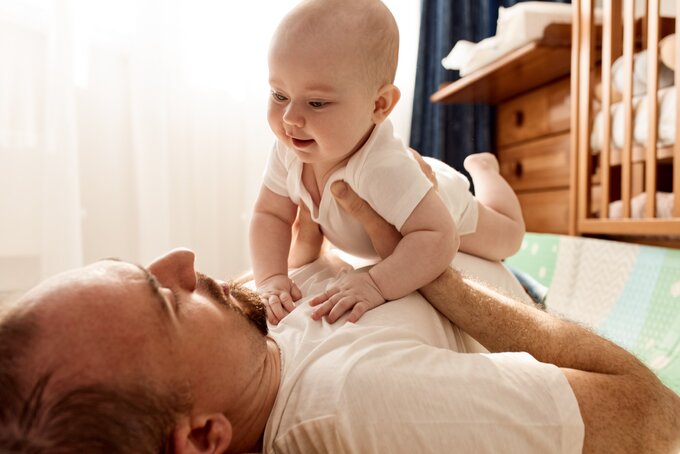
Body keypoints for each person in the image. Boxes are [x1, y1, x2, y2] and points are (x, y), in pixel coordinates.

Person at [1, 182, 679, 453]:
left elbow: (302, 273)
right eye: (167, 301)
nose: (181, 259)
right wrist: (426, 268)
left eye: (143, 268)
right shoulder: (358, 408)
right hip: (508, 295)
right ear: (205, 437)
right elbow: (654, 417)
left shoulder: (252, 348)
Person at [250, 0, 525, 325]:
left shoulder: (381, 167)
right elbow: (269, 215)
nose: (290, 118)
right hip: (404, 189)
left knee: (508, 237)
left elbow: (440, 236)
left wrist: (376, 283)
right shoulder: (289, 148)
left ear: (379, 105)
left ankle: (484, 170)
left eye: (316, 102)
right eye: (279, 95)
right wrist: (270, 279)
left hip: (438, 197)